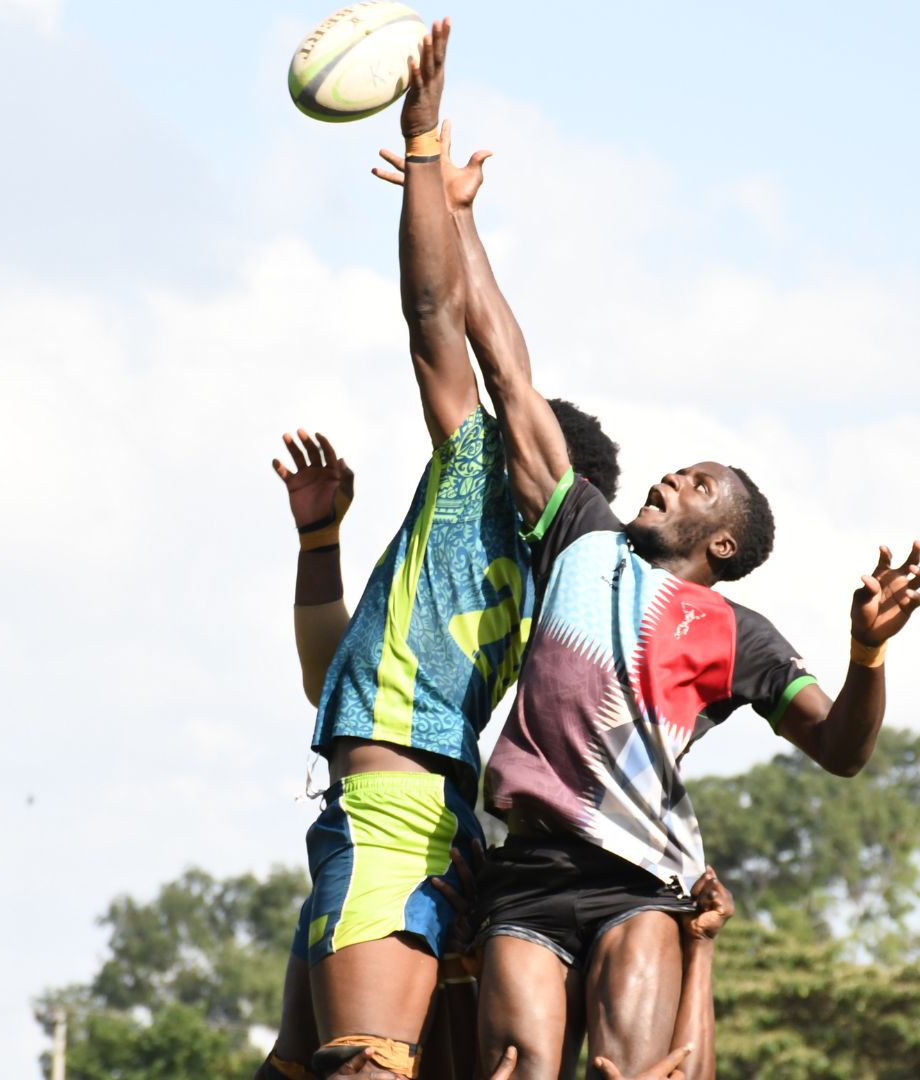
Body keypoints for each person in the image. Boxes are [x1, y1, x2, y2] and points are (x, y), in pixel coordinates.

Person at [376, 47, 920, 1080]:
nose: (677, 475)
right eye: (681, 469)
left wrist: (866, 654)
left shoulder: (741, 638)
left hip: (642, 880)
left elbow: (845, 752)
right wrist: (458, 212)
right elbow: (504, 362)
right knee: (519, 1071)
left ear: (725, 545)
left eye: (702, 483)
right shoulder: (578, 530)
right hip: (528, 876)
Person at [252, 18, 627, 1080]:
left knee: (362, 1067)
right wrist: (321, 543)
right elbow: (339, 679)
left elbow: (436, 321)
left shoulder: (483, 484)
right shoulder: (551, 584)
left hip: (398, 812)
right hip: (419, 812)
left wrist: (421, 148)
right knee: (305, 1068)